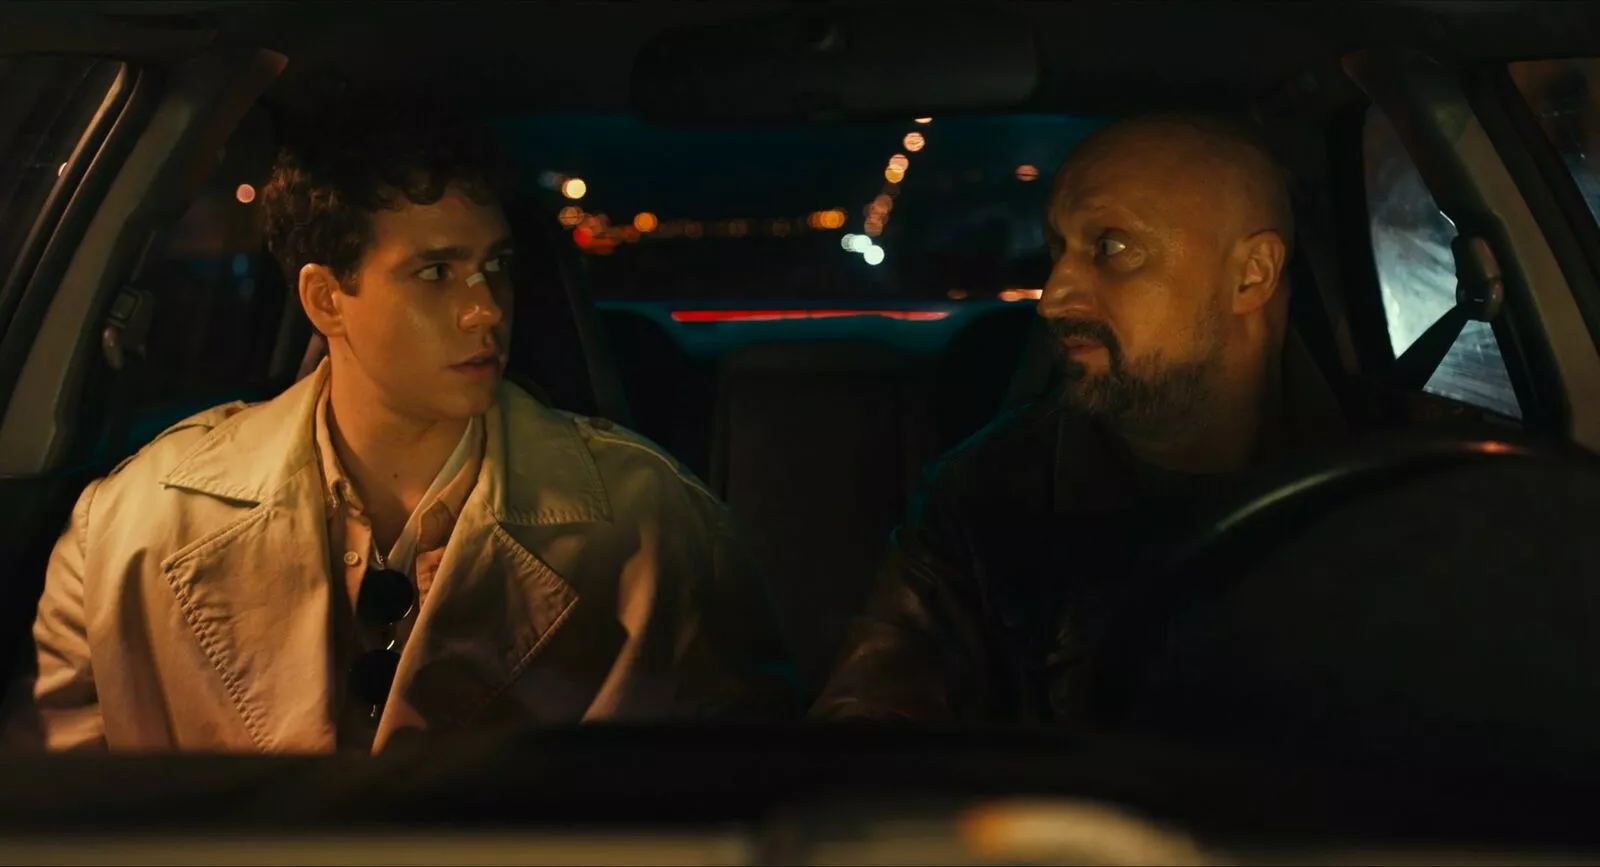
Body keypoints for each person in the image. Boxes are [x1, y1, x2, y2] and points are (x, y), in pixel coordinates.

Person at [4, 97, 794, 752]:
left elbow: (752, 778)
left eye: (496, 266)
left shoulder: (656, 523)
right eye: (436, 272)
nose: (486, 309)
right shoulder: (133, 526)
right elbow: (56, 809)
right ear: (325, 299)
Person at [812, 112, 1348, 722]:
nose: (1053, 297)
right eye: (1056, 250)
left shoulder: (1406, 470)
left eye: (1111, 248)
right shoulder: (983, 500)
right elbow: (872, 727)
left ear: (1252, 275)